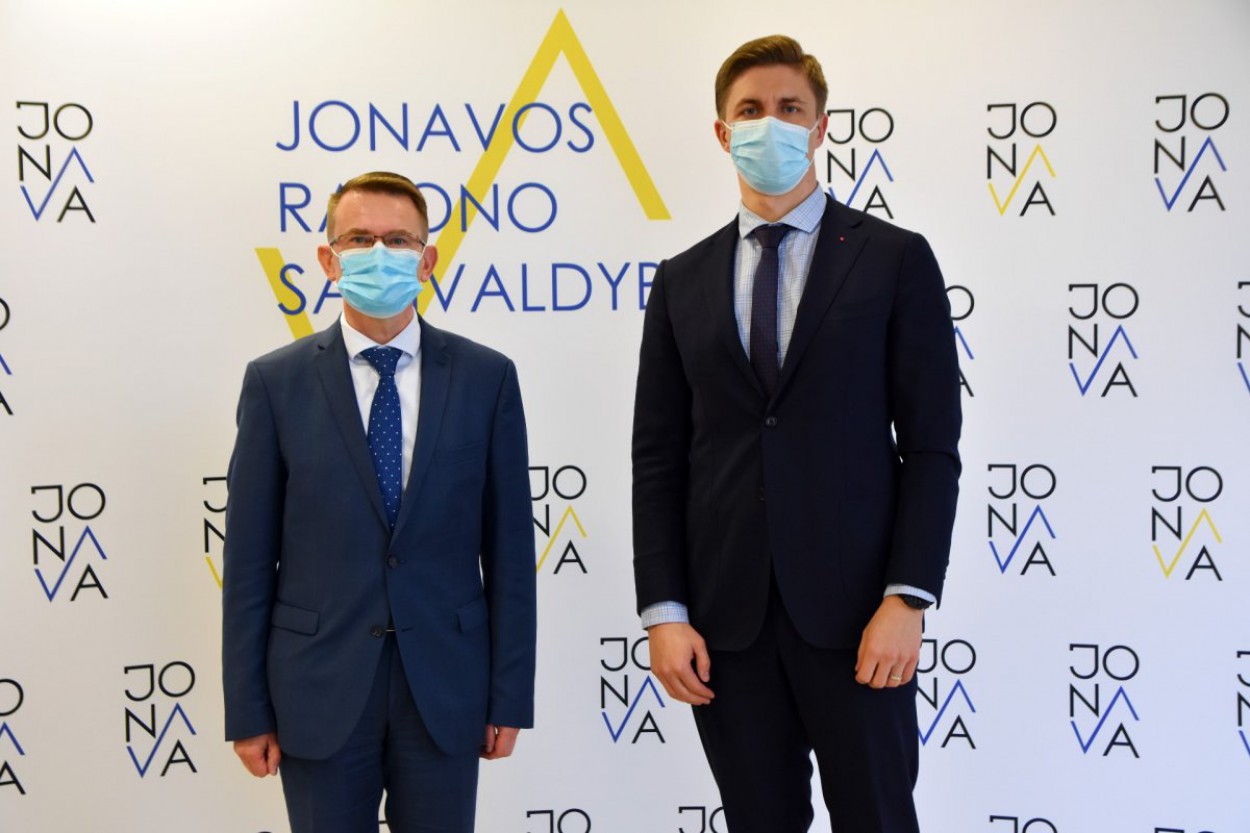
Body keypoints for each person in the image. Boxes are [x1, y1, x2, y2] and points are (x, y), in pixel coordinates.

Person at [632, 36, 961, 833]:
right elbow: (659, 460)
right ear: (722, 132)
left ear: (820, 127)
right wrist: (664, 610)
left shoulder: (894, 259)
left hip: (860, 618)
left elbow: (931, 447)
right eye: (750, 110)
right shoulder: (681, 279)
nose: (769, 124)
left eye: (789, 109)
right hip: (727, 625)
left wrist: (907, 597)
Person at [222, 171, 536, 833]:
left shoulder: (487, 378)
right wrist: (247, 709)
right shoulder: (275, 383)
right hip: (318, 689)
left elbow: (510, 553)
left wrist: (510, 694)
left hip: (446, 688)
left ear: (427, 260)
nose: (379, 253)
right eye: (359, 239)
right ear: (328, 259)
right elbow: (248, 564)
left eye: (398, 241)